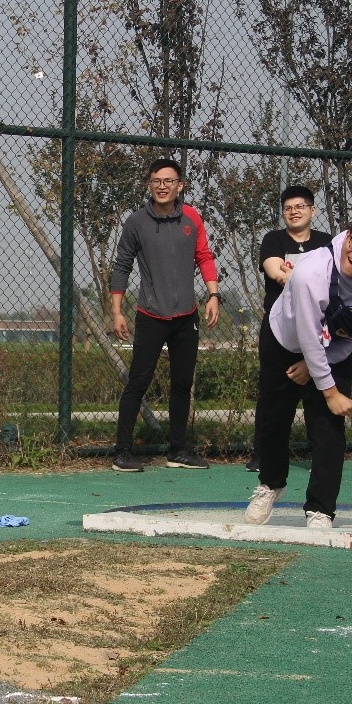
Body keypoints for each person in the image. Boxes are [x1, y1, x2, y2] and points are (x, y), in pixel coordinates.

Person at [245, 212, 352, 529]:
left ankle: (321, 508)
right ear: (348, 233)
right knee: (273, 421)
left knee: (328, 429)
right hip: (284, 339)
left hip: (332, 346)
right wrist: (330, 392)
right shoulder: (310, 272)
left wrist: (317, 369)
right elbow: (306, 334)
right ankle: (271, 483)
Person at [109, 158, 220, 472]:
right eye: (156, 180)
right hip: (151, 316)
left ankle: (178, 451)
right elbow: (122, 266)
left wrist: (213, 295)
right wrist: (117, 312)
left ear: (179, 186)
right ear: (149, 184)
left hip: (187, 317)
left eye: (169, 181)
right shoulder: (136, 222)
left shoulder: (192, 218)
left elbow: (204, 256)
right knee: (138, 383)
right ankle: (122, 452)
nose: (162, 186)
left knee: (182, 384)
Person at [245, 185, 333, 473]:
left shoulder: (326, 242)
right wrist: (307, 280)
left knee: (317, 392)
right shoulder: (273, 239)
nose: (294, 212)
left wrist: (294, 276)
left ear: (312, 210)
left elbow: (333, 280)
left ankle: (321, 454)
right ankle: (263, 455)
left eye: (300, 206)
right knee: (272, 393)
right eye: (288, 208)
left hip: (317, 326)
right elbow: (275, 271)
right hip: (279, 327)